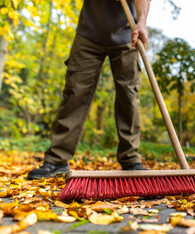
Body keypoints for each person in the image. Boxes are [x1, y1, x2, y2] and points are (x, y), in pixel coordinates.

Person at [27, 0, 150, 180]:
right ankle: (57, 160)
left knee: (129, 95)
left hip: (128, 35)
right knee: (74, 93)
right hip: (89, 34)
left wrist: (142, 21)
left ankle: (131, 159)